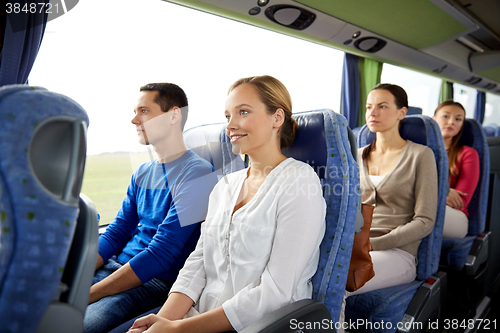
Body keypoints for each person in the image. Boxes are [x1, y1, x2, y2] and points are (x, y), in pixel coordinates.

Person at [128, 75, 327, 333]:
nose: (230, 125)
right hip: (198, 317)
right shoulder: (224, 186)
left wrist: (178, 330)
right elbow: (198, 264)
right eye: (227, 117)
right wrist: (163, 321)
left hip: (258, 325)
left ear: (277, 118)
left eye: (242, 112)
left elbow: (277, 291)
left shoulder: (299, 182)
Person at [84, 83, 218, 333]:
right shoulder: (142, 173)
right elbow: (116, 234)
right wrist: (77, 274)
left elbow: (162, 253)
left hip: (154, 281)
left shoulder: (197, 174)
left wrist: (89, 293)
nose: (134, 119)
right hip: (116, 267)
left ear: (173, 116)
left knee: (73, 325)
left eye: (144, 111)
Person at [341, 84, 438, 330]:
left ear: (401, 112)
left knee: (337, 283)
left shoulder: (421, 155)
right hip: (356, 248)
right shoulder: (357, 155)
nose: (373, 113)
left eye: (382, 106)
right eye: (369, 107)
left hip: (398, 253)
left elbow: (425, 221)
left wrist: (373, 245)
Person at [433, 100, 480, 238]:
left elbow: (460, 201)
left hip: (455, 216)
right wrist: (444, 191)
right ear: (433, 120)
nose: (452, 122)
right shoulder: (418, 151)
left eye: (458, 119)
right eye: (446, 116)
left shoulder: (468, 153)